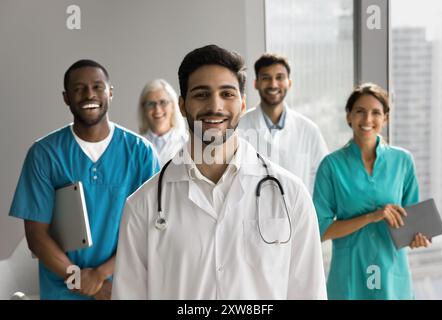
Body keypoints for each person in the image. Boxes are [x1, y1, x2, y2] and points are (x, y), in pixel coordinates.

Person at [112, 44, 327, 300]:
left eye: (227, 94)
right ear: (182, 106)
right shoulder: (142, 206)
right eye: (201, 94)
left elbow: (309, 293)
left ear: (243, 103)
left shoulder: (291, 196)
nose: (215, 105)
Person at [9, 59, 160, 300]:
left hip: (124, 289)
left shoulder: (141, 152)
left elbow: (153, 229)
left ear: (110, 93)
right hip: (63, 291)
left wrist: (102, 276)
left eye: (98, 87)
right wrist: (84, 281)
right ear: (66, 97)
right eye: (78, 88)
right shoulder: (44, 154)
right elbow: (37, 237)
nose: (89, 94)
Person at [313, 83, 431, 300]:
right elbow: (320, 230)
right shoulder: (331, 166)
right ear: (349, 116)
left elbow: (412, 222)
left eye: (376, 112)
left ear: (385, 118)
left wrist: (416, 237)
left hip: (392, 277)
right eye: (360, 111)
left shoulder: (403, 161)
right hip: (350, 277)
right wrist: (371, 216)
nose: (367, 120)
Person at [238, 53, 328, 193]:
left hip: (297, 213)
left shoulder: (309, 130)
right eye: (266, 78)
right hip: (251, 214)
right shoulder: (239, 127)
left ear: (289, 82)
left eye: (279, 77)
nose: (273, 84)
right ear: (256, 83)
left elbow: (324, 180)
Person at [138, 79, 188, 165]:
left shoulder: (188, 142)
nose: (157, 109)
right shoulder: (136, 145)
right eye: (151, 104)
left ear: (173, 105)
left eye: (163, 102)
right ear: (143, 109)